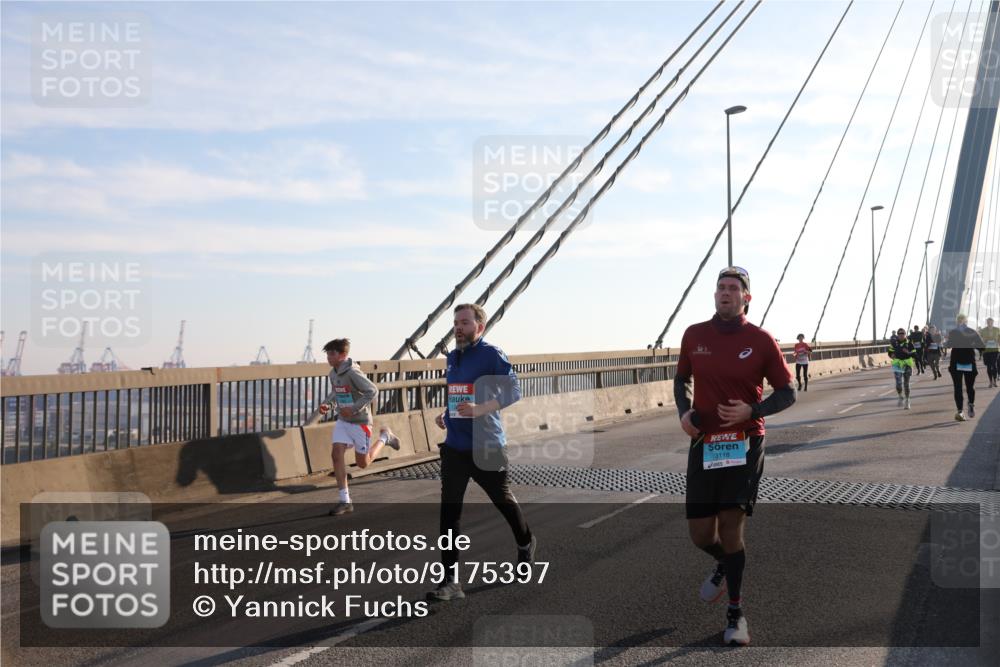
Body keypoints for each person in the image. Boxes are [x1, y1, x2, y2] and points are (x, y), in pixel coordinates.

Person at [674, 266, 796, 646]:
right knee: (699, 534)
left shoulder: (760, 340)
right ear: (715, 295)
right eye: (721, 287)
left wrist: (752, 411)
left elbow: (787, 392)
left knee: (731, 527)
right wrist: (684, 412)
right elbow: (681, 380)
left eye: (733, 288)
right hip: (704, 443)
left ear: (746, 297)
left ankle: (736, 614)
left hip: (744, 443)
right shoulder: (694, 335)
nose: (725, 292)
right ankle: (724, 564)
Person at [428, 303, 535, 602]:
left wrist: (481, 409)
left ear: (480, 326)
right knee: (449, 514)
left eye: (464, 322)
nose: (458, 327)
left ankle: (526, 542)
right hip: (455, 447)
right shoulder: (452, 357)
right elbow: (458, 394)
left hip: (487, 444)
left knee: (502, 501)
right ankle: (450, 581)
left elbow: (513, 391)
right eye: (455, 322)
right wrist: (445, 414)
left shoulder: (491, 354)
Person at [319, 339, 400, 516]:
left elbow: (373, 390)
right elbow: (337, 393)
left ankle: (385, 437)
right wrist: (328, 405)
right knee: (336, 454)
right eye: (327, 353)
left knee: (363, 463)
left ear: (342, 355)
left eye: (331, 353)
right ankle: (345, 501)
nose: (328, 357)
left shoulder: (353, 372)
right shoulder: (333, 374)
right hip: (343, 421)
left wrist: (354, 408)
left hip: (360, 422)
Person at [945, 314, 985, 421]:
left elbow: (949, 344)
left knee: (963, 387)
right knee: (963, 387)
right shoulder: (967, 332)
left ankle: (966, 408)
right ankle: (964, 408)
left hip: (962, 362)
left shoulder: (956, 332)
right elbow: (981, 347)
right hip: (962, 362)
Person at [889, 328, 916, 409]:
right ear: (897, 334)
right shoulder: (894, 343)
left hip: (907, 363)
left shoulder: (909, 343)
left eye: (902, 333)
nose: (901, 335)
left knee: (906, 383)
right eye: (899, 333)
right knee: (898, 383)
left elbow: (915, 354)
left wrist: (908, 352)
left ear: (905, 334)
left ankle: (907, 400)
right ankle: (900, 396)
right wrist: (891, 355)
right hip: (897, 364)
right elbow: (890, 352)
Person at [979, 317, 1000, 388]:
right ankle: (990, 382)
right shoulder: (983, 330)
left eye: (991, 322)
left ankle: (995, 381)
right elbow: (979, 339)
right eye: (988, 322)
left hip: (995, 350)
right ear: (987, 322)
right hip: (986, 351)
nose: (989, 323)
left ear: (993, 322)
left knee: (994, 365)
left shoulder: (997, 329)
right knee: (988, 366)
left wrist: (998, 343)